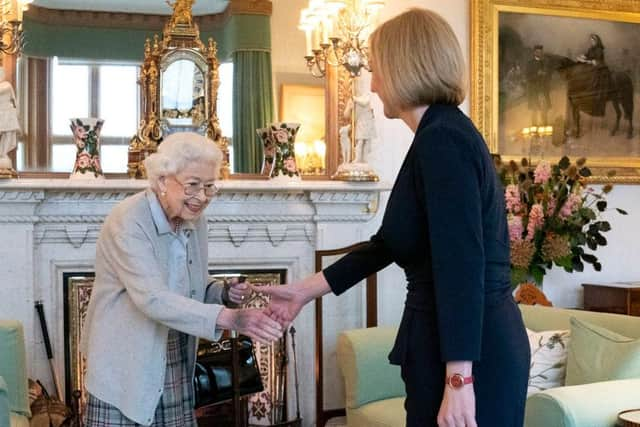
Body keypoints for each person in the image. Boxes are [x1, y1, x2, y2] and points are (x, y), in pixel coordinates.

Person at [259, 8, 530, 427]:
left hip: (470, 356)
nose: (374, 82)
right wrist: (302, 291)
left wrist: (459, 379)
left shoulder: (443, 139)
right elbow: (389, 243)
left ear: (405, 66)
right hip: (444, 346)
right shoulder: (436, 135)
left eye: (378, 68)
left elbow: (461, 264)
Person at [81, 132, 283, 427]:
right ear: (162, 180)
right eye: (192, 185)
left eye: (210, 187)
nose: (201, 197)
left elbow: (191, 286)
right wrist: (231, 318)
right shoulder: (128, 221)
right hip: (126, 362)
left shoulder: (194, 219)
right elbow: (152, 297)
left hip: (174, 353)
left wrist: (222, 293)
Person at [576, 33, 609, 116]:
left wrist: (586, 61)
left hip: (599, 68)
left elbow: (596, 61)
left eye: (593, 40)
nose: (592, 42)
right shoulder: (591, 49)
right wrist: (581, 57)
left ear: (597, 41)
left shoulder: (599, 49)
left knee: (595, 79)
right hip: (591, 67)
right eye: (591, 40)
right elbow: (586, 55)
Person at [0, 68, 20, 172]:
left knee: (8, 133)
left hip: (7, 112)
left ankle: (3, 153)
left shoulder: (6, 85)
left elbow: (13, 99)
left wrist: (16, 111)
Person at [526, 45, 552, 126]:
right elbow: (528, 77)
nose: (539, 53)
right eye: (537, 52)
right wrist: (537, 74)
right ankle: (534, 128)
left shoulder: (545, 63)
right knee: (534, 110)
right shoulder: (530, 63)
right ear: (534, 53)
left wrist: (546, 75)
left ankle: (544, 126)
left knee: (544, 109)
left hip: (543, 90)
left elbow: (549, 76)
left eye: (541, 52)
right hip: (534, 90)